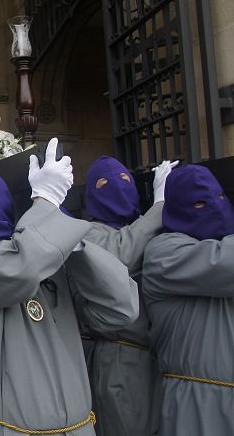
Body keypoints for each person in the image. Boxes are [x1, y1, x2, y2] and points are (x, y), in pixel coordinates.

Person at [0, 138, 140, 435]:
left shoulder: (47, 251)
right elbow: (20, 270)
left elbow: (120, 309)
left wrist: (72, 243)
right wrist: (45, 205)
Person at [77, 156, 176, 436]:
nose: (118, 188)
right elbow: (120, 256)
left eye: (124, 181)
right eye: (104, 183)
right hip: (120, 355)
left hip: (157, 356)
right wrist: (158, 208)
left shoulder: (148, 229)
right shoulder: (88, 234)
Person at [142, 164, 234, 436]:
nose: (215, 208)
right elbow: (222, 263)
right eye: (199, 203)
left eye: (220, 198)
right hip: (198, 399)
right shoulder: (163, 252)